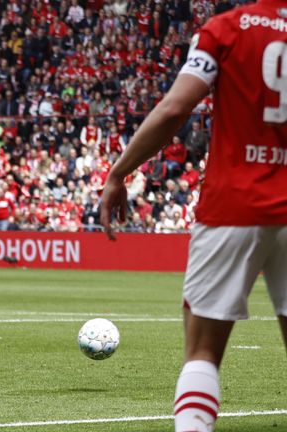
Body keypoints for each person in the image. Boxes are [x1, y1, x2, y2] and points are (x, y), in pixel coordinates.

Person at [100, 3, 287, 431]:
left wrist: (119, 172)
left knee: (202, 353)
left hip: (232, 205)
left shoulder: (224, 29)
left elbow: (174, 110)